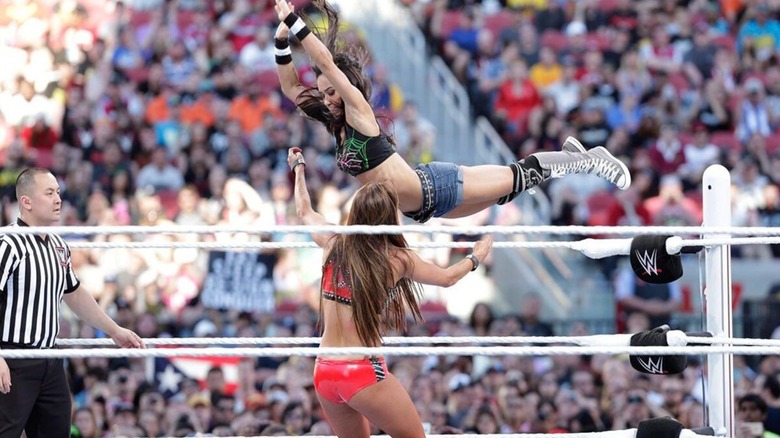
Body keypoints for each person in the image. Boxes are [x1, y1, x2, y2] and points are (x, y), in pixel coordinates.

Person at [273, 0, 631, 223]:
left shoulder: (357, 110)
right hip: (424, 208)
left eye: (332, 91)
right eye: (324, 94)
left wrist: (296, 23)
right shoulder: (334, 121)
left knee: (518, 175)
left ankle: (585, 160)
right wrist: (279, 44)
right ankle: (569, 159)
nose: (328, 99)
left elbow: (324, 61)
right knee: (508, 191)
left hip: (436, 186)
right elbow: (291, 88)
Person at [288, 147, 493, 437]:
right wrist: (476, 257)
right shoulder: (396, 259)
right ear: (389, 218)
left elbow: (304, 212)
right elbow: (447, 278)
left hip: (324, 371)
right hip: (359, 370)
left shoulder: (333, 243)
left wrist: (298, 169)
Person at [0, 168, 145, 437]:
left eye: (58, 192)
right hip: (12, 357)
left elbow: (75, 293)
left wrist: (115, 331)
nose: (58, 199)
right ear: (26, 202)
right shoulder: (8, 243)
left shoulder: (58, 246)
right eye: (49, 193)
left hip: (50, 359)